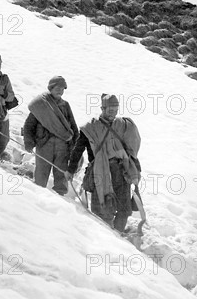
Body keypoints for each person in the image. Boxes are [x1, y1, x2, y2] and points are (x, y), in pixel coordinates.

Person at [65, 94, 142, 233]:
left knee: (124, 208)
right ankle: (105, 237)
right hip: (99, 172)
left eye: (115, 109)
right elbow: (78, 149)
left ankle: (117, 235)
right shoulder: (90, 128)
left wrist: (136, 170)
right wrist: (70, 170)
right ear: (102, 108)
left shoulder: (123, 126)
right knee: (102, 207)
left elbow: (131, 151)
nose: (113, 113)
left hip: (121, 171)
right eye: (109, 110)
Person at [23, 76, 79, 196]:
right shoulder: (41, 104)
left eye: (63, 88)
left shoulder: (65, 105)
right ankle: (37, 199)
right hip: (44, 145)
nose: (60, 91)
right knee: (41, 175)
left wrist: (74, 147)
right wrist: (28, 142)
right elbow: (29, 125)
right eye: (57, 88)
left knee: (61, 175)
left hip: (62, 147)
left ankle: (61, 199)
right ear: (51, 87)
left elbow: (73, 127)